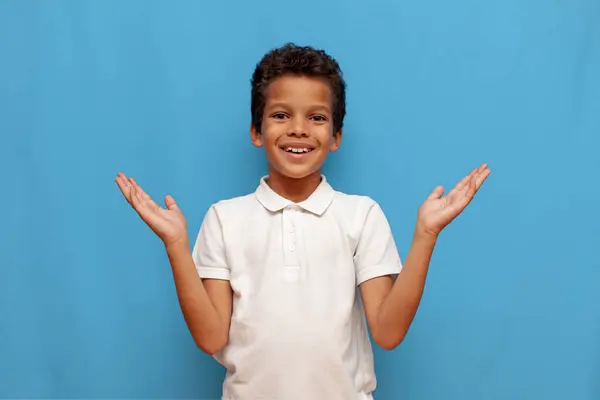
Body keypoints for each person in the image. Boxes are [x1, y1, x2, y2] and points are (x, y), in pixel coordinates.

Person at [115, 43, 490, 400]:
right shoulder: (225, 219)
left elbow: (388, 332)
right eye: (281, 115)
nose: (298, 128)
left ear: (336, 136)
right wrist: (176, 244)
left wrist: (426, 235)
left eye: (317, 117)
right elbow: (211, 337)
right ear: (256, 131)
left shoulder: (360, 215)